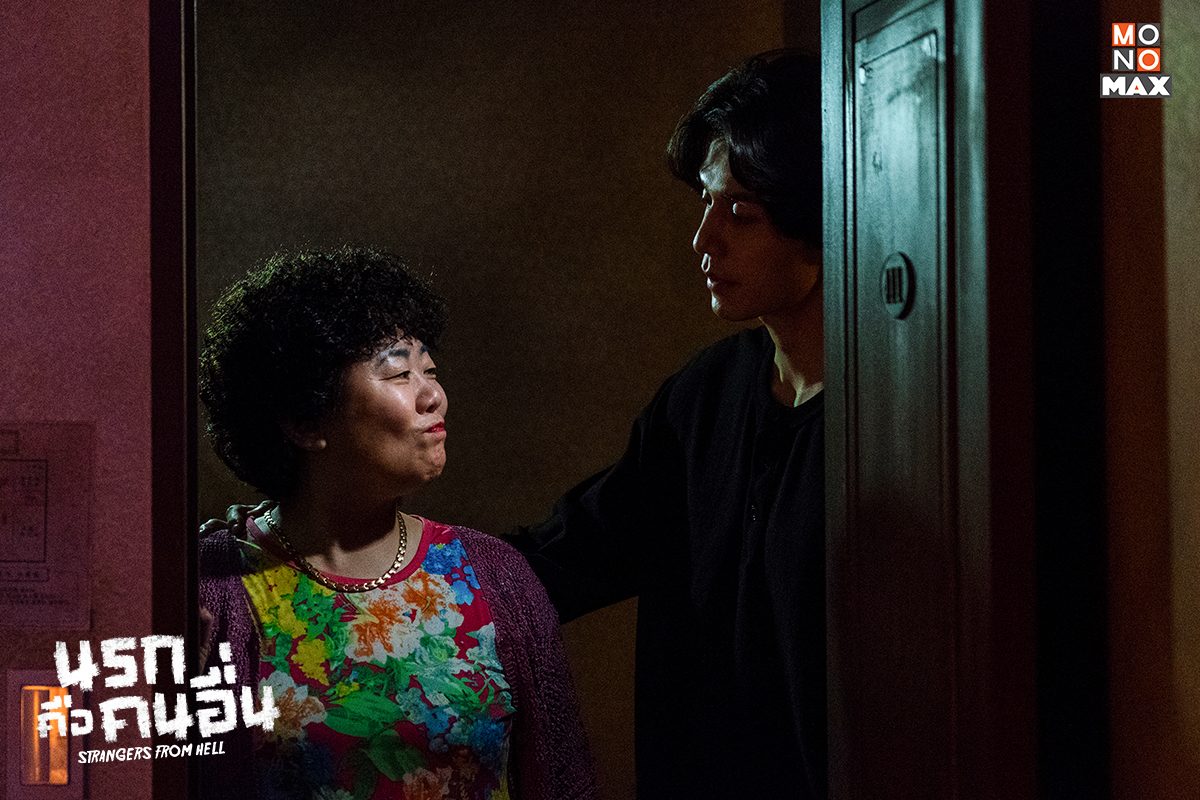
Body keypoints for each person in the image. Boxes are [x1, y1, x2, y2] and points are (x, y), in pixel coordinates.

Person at [509, 50, 826, 798]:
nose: (704, 241)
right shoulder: (707, 395)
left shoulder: (893, 424)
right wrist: (377, 577)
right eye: (707, 204)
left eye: (741, 214)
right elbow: (577, 548)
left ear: (819, 217)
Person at [197, 247, 596, 800]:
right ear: (304, 419)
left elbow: (564, 783)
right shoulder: (212, 591)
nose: (434, 396)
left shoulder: (498, 578)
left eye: (429, 370)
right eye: (400, 372)